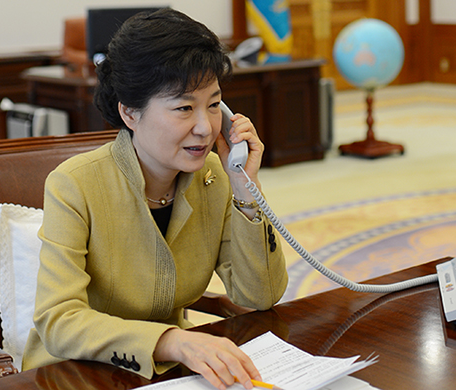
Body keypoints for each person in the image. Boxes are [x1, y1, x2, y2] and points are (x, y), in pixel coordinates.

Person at [21, 8, 288, 390]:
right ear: (130, 113)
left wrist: (246, 188)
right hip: (76, 373)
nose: (205, 127)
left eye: (214, 105)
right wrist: (170, 340)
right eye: (184, 108)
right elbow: (58, 320)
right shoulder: (74, 184)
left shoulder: (215, 175)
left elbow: (259, 295)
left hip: (171, 375)